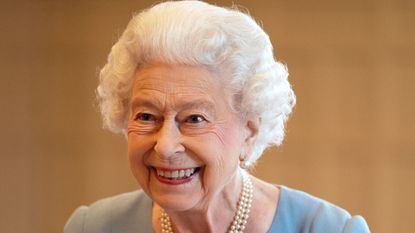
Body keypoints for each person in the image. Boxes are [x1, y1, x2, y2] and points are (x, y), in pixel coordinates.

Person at [64, 1, 370, 232]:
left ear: (249, 132)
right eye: (147, 116)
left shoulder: (327, 229)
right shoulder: (92, 227)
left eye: (194, 119)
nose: (165, 146)